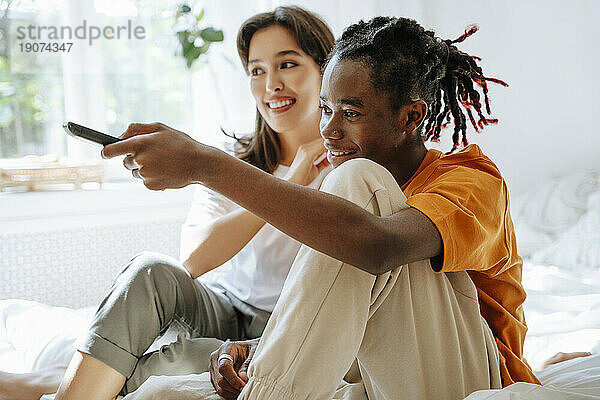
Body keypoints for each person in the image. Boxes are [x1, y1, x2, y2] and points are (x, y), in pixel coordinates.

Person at [93, 16, 539, 400]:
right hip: (372, 373)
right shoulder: (350, 190)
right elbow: (337, 303)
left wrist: (206, 164)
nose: (329, 129)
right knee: (162, 390)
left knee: (355, 187)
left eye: (350, 112)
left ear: (410, 117)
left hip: (471, 378)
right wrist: (260, 349)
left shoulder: (471, 181)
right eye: (326, 109)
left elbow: (376, 246)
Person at [0, 6, 334, 400]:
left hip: (290, 324)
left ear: (326, 70)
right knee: (149, 270)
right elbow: (193, 258)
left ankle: (39, 387)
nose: (270, 85)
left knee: (169, 364)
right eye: (257, 71)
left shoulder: (349, 169)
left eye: (288, 64)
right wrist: (291, 179)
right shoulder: (227, 159)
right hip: (224, 308)